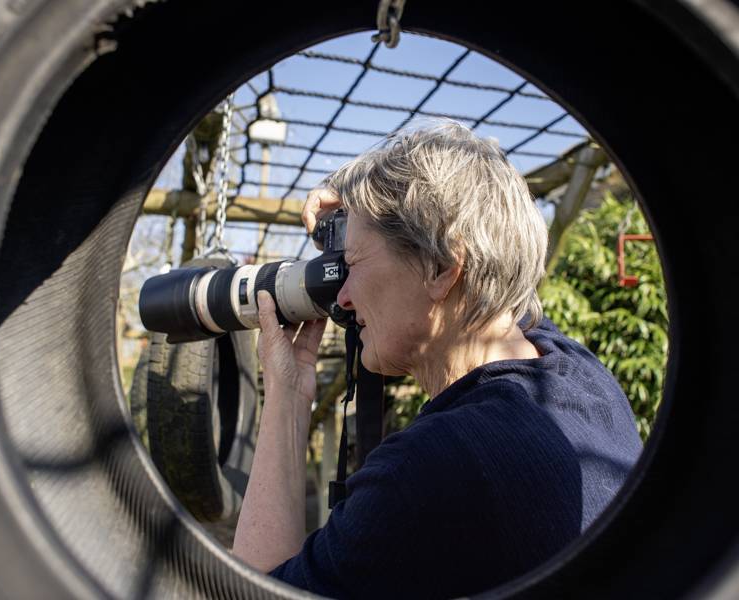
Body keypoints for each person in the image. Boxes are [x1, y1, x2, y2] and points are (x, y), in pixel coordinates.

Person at [231, 119, 643, 599]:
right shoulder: (578, 374)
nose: (341, 297)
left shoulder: (432, 468)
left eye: (355, 263)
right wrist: (359, 195)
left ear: (443, 267)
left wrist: (287, 390)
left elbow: (248, 591)